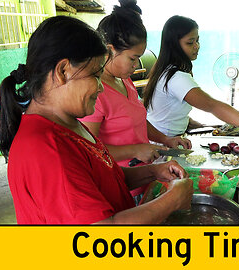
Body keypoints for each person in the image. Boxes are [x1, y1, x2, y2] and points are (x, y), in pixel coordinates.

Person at [0, 15, 193, 224]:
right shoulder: (47, 148)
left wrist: (154, 171)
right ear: (63, 71)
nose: (100, 88)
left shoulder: (68, 124)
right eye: (95, 76)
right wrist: (172, 200)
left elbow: (107, 178)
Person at [80, 0, 191, 198]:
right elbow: (89, 151)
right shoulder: (95, 93)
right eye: (132, 58)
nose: (136, 64)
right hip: (119, 185)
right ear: (110, 50)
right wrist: (135, 150)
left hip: (144, 178)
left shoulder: (124, 81)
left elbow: (137, 120)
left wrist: (165, 139)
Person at [143, 15, 239, 145]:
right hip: (164, 144)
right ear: (174, 45)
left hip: (168, 139)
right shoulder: (176, 78)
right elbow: (211, 105)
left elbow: (169, 113)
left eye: (197, 40)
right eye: (190, 42)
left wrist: (195, 124)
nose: (196, 46)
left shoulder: (167, 70)